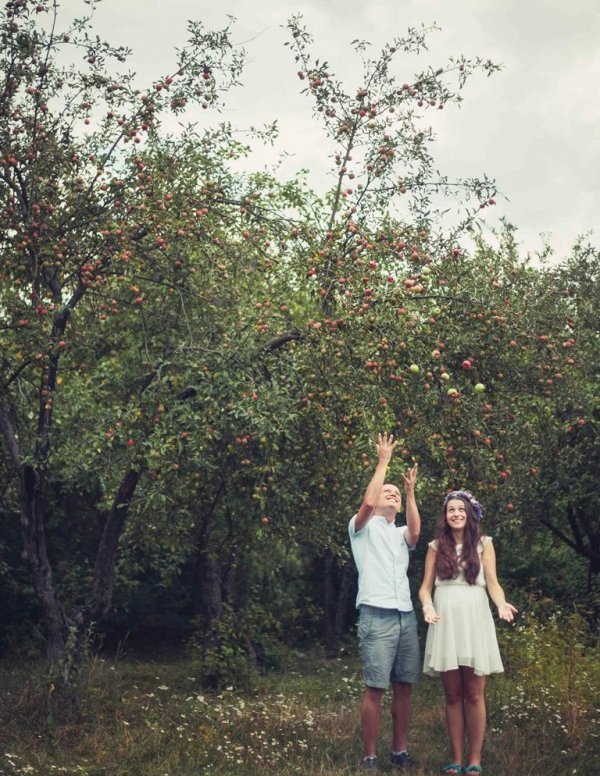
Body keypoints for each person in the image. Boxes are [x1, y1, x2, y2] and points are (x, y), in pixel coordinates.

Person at [419, 490, 518, 775]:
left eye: (461, 509)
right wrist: (427, 606)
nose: (456, 514)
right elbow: (426, 587)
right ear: (445, 516)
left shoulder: (484, 544)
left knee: (474, 693)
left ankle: (474, 760)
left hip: (475, 618)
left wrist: (500, 604)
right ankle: (456, 758)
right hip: (445, 620)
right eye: (451, 510)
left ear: (470, 513)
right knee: (452, 694)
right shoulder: (436, 546)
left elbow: (493, 583)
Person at [348, 432, 421, 771]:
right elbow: (365, 504)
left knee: (404, 686)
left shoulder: (399, 533)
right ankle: (370, 755)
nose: (389, 494)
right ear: (377, 500)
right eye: (386, 492)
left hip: (405, 617)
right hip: (376, 616)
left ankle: (399, 751)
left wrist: (409, 492)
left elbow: (416, 533)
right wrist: (383, 463)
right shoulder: (362, 528)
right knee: (376, 687)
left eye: (394, 492)